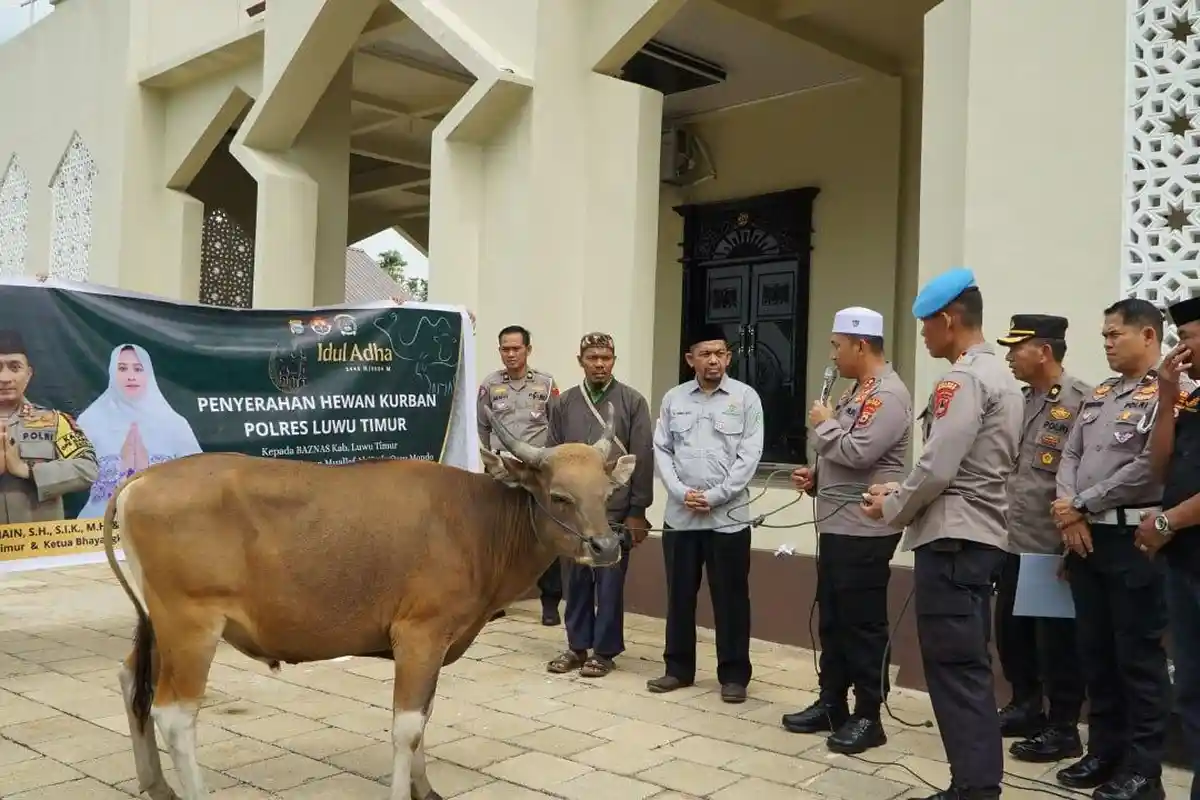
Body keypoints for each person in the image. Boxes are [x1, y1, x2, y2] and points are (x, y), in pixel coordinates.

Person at [862, 268, 1022, 800]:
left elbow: (936, 468)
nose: (924, 335)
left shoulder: (963, 379)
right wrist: (900, 493)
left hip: (953, 540)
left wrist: (892, 507)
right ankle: (974, 783)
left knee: (956, 667)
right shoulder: (999, 376)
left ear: (949, 320)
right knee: (966, 663)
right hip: (977, 535)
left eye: (927, 325)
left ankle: (974, 788)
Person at [1053, 298, 1174, 800]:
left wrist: (1080, 502)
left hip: (1132, 539)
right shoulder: (1101, 393)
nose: (1105, 343)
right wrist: (1067, 510)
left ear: (1148, 336)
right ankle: (1104, 751)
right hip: (1085, 536)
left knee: (1136, 657)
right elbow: (1070, 453)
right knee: (1095, 651)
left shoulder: (1170, 396)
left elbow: (1150, 467)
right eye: (1103, 335)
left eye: (1114, 335)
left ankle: (1144, 770)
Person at [781, 307, 912, 754]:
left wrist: (823, 425)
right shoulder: (856, 390)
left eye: (837, 345)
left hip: (866, 528)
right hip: (838, 523)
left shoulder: (889, 395)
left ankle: (869, 715)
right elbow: (842, 456)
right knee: (834, 620)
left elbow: (858, 451)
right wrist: (816, 475)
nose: (832, 355)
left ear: (861, 345)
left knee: (863, 625)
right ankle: (832, 701)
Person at [649, 323, 764, 703]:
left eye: (720, 353)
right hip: (681, 517)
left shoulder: (746, 399)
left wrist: (716, 495)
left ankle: (733, 675)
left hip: (728, 518)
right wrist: (681, 493)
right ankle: (677, 668)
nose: (713, 360)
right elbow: (661, 450)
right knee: (679, 594)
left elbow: (750, 455)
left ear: (729, 357)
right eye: (705, 353)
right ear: (690, 360)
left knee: (731, 597)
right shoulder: (673, 399)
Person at [993, 315, 1090, 762]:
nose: (1010, 357)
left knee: (1056, 643)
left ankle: (1063, 726)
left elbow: (1083, 473)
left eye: (1018, 348)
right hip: (1013, 538)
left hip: (1051, 545)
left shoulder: (1081, 401)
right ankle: (1025, 707)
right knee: (1012, 634)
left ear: (1044, 351)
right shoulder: (1021, 400)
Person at [544, 333, 653, 678]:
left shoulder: (632, 401)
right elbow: (553, 455)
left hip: (615, 509)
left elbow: (643, 458)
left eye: (606, 357)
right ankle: (577, 646)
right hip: (574, 513)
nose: (600, 364)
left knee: (609, 582)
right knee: (574, 578)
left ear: (614, 360)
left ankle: (604, 651)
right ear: (581, 361)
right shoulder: (564, 404)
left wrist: (639, 510)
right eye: (592, 358)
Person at [1141, 295, 1200, 800]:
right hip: (1185, 562)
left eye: (1191, 338)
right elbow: (1161, 467)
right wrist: (1166, 395)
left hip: (1183, 542)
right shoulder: (1191, 399)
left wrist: (1166, 520)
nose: (1182, 349)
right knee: (1192, 691)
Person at [477, 324, 562, 624]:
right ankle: (494, 601)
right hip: (503, 470)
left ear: (528, 349)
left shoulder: (545, 384)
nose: (511, 354)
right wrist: (493, 460)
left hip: (537, 470)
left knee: (544, 531)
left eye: (516, 348)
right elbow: (482, 426)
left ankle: (550, 602)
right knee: (497, 535)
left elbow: (557, 423)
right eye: (505, 348)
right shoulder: (490, 385)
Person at [75, 344, 202, 519]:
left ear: (148, 374)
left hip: (164, 522)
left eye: (138, 369)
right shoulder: (90, 420)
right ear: (112, 372)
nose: (131, 376)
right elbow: (72, 474)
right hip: (99, 526)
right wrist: (120, 471)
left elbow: (200, 476)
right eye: (122, 368)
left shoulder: (174, 423)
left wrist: (150, 476)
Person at [0, 329, 99, 525]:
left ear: (28, 374)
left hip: (40, 547)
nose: (4, 377)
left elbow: (88, 468)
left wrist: (27, 470)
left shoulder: (54, 422)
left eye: (14, 367)